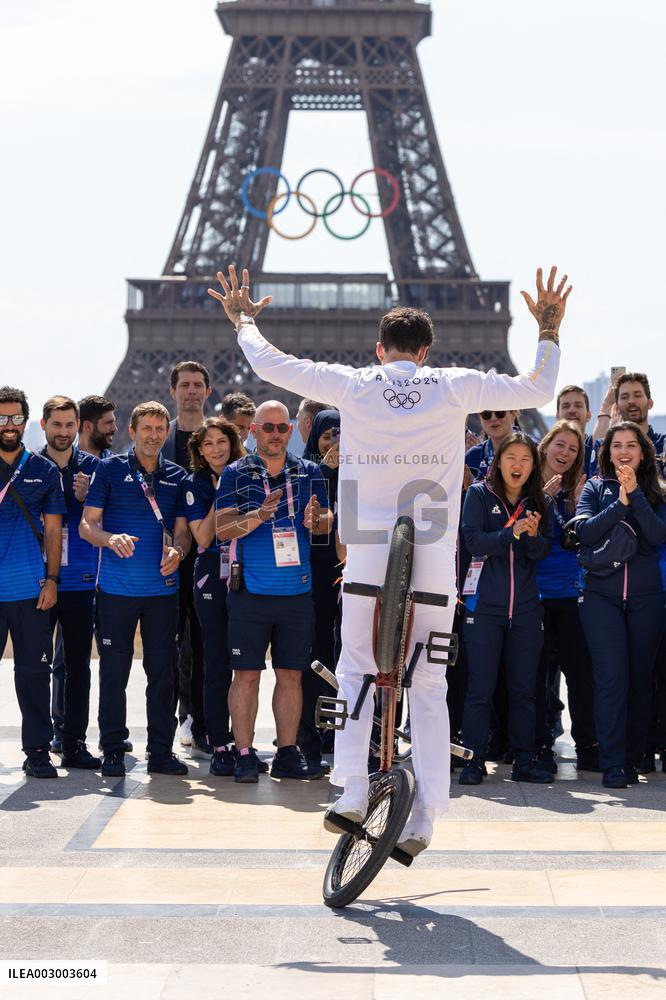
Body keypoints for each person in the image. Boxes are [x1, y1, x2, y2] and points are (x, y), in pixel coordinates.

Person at [207, 263, 568, 855]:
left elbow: (270, 365)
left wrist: (244, 318)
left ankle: (349, 790)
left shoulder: (354, 384)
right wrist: (548, 329)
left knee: (354, 667)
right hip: (430, 547)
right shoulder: (454, 384)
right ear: (424, 352)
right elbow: (537, 389)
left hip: (370, 545)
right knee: (428, 682)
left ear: (380, 349)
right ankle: (425, 815)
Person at [216, 400, 334, 783]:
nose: (276, 434)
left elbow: (327, 525)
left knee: (291, 676)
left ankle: (287, 751)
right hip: (250, 590)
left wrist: (317, 520)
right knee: (246, 675)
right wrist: (259, 516)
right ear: (253, 430)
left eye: (283, 428)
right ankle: (246, 752)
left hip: (296, 591)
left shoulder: (310, 471)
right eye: (268, 428)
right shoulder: (236, 473)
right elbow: (221, 529)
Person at [80, 401, 192, 778]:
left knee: (163, 672)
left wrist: (178, 550)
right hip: (116, 591)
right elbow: (86, 526)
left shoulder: (177, 476)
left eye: (161, 428)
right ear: (133, 431)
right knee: (114, 671)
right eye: (147, 428)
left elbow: (182, 531)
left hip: (162, 591)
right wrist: (111, 539)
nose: (154, 435)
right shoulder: (110, 469)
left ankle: (161, 750)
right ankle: (112, 748)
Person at [576, 421, 666, 788]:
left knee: (640, 681)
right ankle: (613, 763)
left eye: (632, 444)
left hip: (646, 597)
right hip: (601, 597)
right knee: (611, 679)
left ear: (643, 453)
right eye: (617, 445)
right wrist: (621, 503)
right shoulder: (595, 487)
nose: (624, 451)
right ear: (607, 452)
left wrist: (638, 496)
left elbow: (658, 535)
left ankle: (634, 757)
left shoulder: (658, 492)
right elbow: (583, 532)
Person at [458, 434, 552, 785]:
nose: (518, 465)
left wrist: (530, 536)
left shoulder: (538, 500)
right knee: (480, 688)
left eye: (526, 459)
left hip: (526, 608)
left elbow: (543, 552)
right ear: (498, 461)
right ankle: (474, 759)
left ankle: (525, 759)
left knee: (524, 688)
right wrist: (510, 534)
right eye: (511, 457)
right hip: (484, 606)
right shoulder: (479, 494)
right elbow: (473, 542)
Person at [0, 386, 65, 778]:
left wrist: (52, 580)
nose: (9, 425)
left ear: (26, 421)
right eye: (2, 418)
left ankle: (38, 749)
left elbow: (55, 532)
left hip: (30, 589)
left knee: (34, 676)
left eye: (15, 418)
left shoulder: (43, 470)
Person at [184, 417, 248, 776]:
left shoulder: (251, 475)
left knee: (248, 664)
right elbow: (205, 538)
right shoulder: (194, 483)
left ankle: (244, 744)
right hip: (211, 577)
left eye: (221, 441)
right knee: (216, 662)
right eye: (207, 444)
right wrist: (224, 491)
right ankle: (218, 742)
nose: (216, 449)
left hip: (247, 575)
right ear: (199, 450)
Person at [40, 396, 101, 769]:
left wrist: (87, 497)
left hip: (80, 581)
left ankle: (74, 740)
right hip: (39, 581)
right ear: (45, 425)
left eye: (69, 425)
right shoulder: (29, 466)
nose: (63, 432)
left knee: (78, 665)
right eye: (56, 425)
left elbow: (108, 518)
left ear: (79, 426)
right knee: (38, 664)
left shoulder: (96, 469)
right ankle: (41, 740)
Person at [535, 419, 598, 772]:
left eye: (573, 450)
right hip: (536, 595)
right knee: (538, 675)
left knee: (580, 673)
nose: (566, 453)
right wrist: (543, 500)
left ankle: (588, 744)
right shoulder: (529, 486)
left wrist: (578, 510)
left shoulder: (581, 491)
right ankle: (541, 743)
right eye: (560, 444)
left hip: (572, 594)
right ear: (546, 445)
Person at [163, 361, 212, 755]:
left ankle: (198, 720)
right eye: (185, 385)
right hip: (165, 560)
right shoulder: (157, 443)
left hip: (209, 560)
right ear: (174, 392)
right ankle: (172, 723)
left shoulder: (219, 443)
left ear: (207, 392)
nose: (191, 391)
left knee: (201, 645)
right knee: (167, 646)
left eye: (198, 385)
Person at [298, 408, 342, 773]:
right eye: (328, 436)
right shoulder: (307, 473)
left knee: (352, 658)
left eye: (343, 436)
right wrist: (326, 470)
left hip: (354, 575)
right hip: (315, 574)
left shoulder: (366, 472)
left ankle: (346, 736)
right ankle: (308, 737)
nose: (336, 444)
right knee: (314, 655)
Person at [592, 373, 665, 476]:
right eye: (625, 397)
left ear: (650, 403)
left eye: (637, 395)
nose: (631, 401)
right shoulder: (604, 446)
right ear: (617, 406)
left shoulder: (664, 444)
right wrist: (606, 406)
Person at [465, 408, 519, 481]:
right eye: (486, 414)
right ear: (480, 417)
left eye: (500, 413)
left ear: (513, 414)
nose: (493, 418)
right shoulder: (471, 457)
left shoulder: (534, 450)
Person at [555, 384, 594, 477]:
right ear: (557, 416)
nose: (572, 410)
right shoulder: (546, 451)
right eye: (566, 406)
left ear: (589, 415)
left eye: (578, 406)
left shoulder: (594, 446)